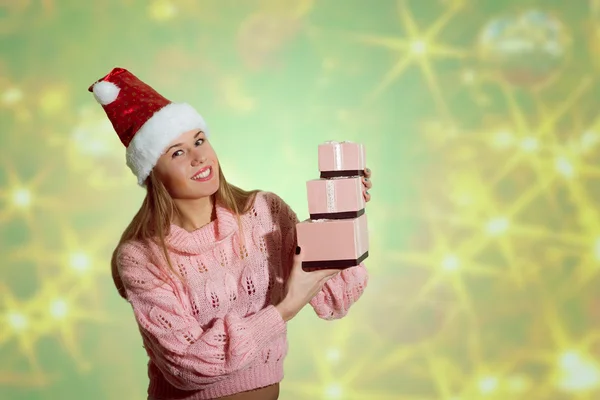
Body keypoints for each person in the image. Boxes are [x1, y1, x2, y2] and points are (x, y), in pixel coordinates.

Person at [89, 67, 372, 400]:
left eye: (199, 140)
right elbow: (188, 367)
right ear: (152, 170)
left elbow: (334, 300)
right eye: (177, 152)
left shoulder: (264, 213)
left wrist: (340, 213)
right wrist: (285, 309)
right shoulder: (141, 257)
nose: (198, 157)